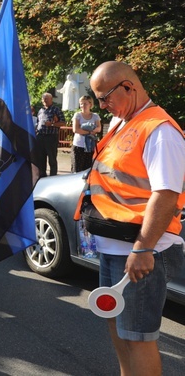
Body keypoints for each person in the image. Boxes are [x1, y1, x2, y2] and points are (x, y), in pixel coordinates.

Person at [76, 61, 184, 375]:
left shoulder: (160, 131)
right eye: (97, 99)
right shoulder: (124, 123)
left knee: (138, 339)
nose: (101, 105)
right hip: (117, 251)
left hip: (141, 252)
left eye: (105, 97)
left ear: (128, 87)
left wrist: (143, 248)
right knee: (120, 333)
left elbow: (165, 195)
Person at [35, 92, 65, 177]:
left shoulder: (56, 110)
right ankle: (42, 177)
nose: (45, 100)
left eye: (47, 98)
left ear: (51, 99)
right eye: (43, 99)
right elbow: (38, 123)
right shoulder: (40, 111)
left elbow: (63, 123)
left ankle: (53, 177)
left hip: (51, 137)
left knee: (52, 159)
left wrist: (52, 124)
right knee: (40, 159)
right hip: (40, 137)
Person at [71, 95, 101, 172]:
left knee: (88, 169)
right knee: (76, 169)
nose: (83, 105)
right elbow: (76, 129)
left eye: (85, 103)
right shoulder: (77, 115)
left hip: (90, 146)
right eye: (81, 103)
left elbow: (99, 128)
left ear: (90, 104)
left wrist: (88, 130)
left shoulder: (95, 116)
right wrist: (90, 132)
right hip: (79, 145)